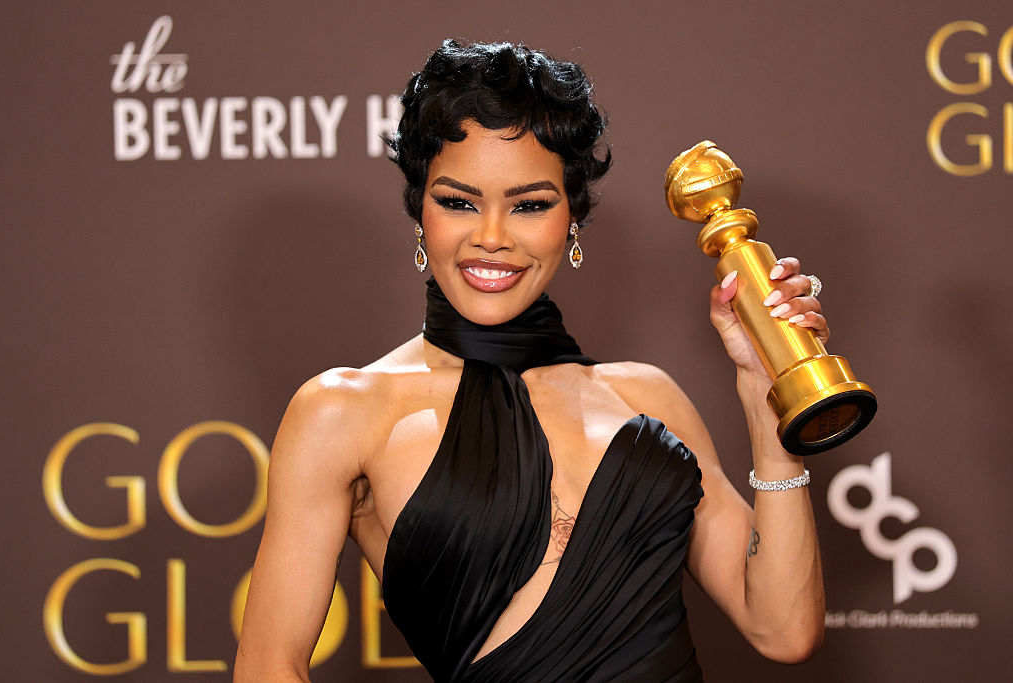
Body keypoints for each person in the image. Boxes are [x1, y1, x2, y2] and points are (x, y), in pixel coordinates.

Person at [234, 40, 825, 682]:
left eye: (530, 205)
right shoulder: (345, 411)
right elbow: (269, 666)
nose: (491, 235)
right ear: (419, 214)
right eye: (459, 201)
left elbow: (783, 630)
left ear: (571, 219)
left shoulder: (649, 399)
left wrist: (771, 406)